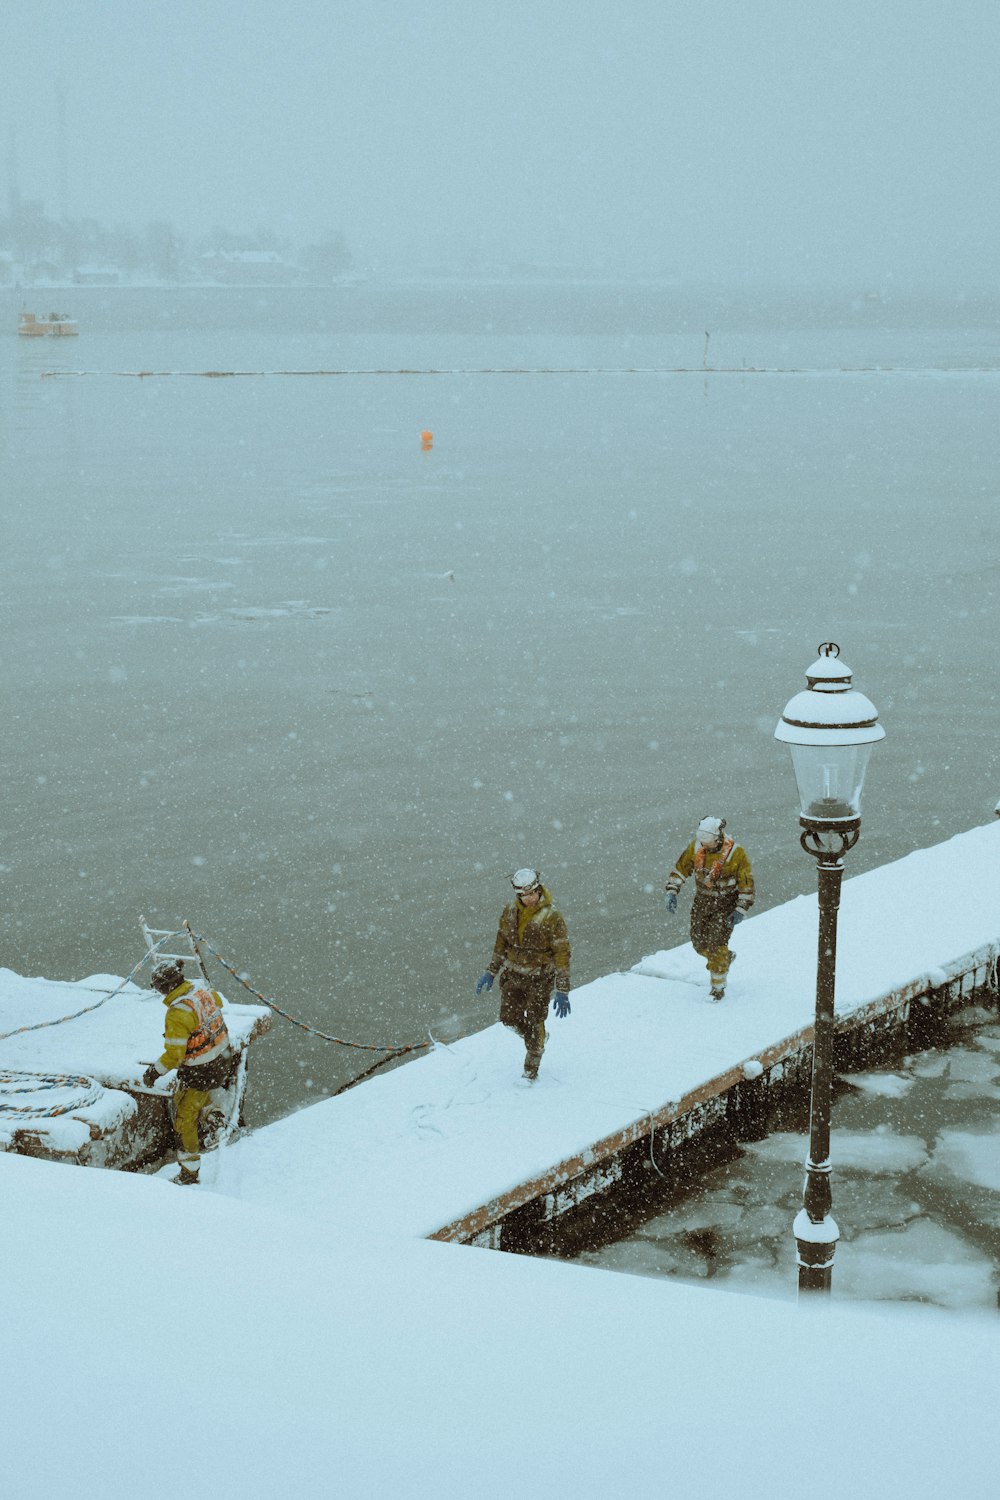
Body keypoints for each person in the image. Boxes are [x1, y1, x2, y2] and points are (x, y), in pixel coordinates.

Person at [142, 959, 234, 1185]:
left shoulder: (177, 1013)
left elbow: (175, 1056)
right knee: (201, 1097)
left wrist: (154, 1072)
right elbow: (218, 1002)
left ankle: (189, 1174)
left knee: (184, 1120)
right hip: (223, 1058)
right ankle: (213, 1115)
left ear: (164, 987)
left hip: (201, 1071)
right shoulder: (201, 992)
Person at [476, 868, 571, 1080]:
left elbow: (562, 954)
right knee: (508, 1018)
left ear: (538, 889)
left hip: (540, 977)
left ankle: (532, 1065)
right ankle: (537, 1039)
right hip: (513, 974)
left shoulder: (552, 917)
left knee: (536, 1018)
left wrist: (562, 989)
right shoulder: (510, 912)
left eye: (533, 893)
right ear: (518, 895)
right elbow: (501, 944)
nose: (530, 899)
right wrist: (491, 971)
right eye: (524, 895)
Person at [664, 816, 755, 1001]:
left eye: (710, 844)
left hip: (725, 903)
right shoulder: (696, 847)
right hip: (702, 902)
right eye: (703, 844)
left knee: (717, 945)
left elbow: (747, 883)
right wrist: (672, 890)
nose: (706, 848)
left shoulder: (736, 854)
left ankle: (717, 988)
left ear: (719, 838)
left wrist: (740, 909)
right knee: (699, 943)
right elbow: (682, 868)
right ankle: (724, 959)